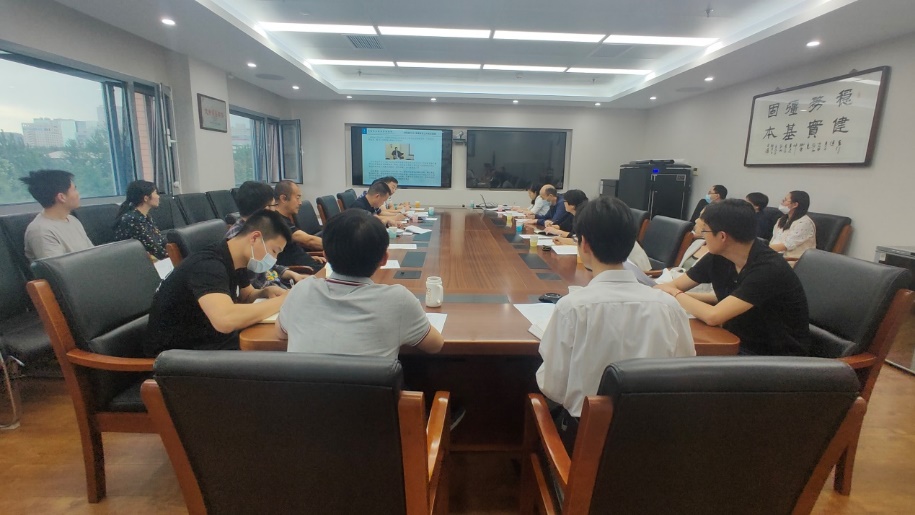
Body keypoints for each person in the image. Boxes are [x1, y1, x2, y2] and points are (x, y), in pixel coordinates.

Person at [537, 196, 694, 451]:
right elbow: (684, 373)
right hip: (655, 441)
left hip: (586, 442)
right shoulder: (669, 306)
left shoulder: (573, 308)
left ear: (584, 243)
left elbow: (553, 387)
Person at [276, 209, 444, 358]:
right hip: (372, 386)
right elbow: (435, 345)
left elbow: (281, 333)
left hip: (305, 386)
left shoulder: (301, 290)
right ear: (384, 259)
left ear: (325, 255)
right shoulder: (398, 300)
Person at [656, 199, 810, 357]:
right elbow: (676, 285)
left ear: (722, 236)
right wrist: (669, 290)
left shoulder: (769, 268)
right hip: (733, 340)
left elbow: (713, 316)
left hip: (773, 357)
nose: (703, 237)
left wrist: (674, 293)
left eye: (705, 231)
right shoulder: (718, 256)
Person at [145, 210, 292, 356]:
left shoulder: (237, 259)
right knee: (279, 354)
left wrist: (265, 292)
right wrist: (282, 301)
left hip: (210, 342)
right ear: (254, 238)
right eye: (274, 251)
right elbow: (225, 320)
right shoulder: (208, 265)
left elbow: (247, 295)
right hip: (179, 355)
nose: (274, 259)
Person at [227, 181, 310, 288]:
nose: (275, 209)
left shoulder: (258, 229)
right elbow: (254, 288)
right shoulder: (240, 240)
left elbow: (269, 267)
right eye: (274, 205)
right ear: (266, 209)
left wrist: (293, 274)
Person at [20, 169, 94, 261]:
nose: (78, 193)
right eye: (74, 189)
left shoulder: (72, 220)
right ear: (61, 197)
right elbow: (57, 268)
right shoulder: (41, 231)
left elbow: (93, 254)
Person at [274, 180, 326, 271]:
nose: (300, 202)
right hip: (305, 271)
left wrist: (308, 256)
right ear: (283, 198)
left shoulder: (284, 218)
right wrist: (338, 248)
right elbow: (309, 241)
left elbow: (291, 251)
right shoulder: (277, 221)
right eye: (297, 198)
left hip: (308, 264)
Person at [114, 180, 167, 260]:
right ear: (146, 198)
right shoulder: (133, 219)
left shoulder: (145, 216)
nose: (158, 196)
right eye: (156, 193)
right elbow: (153, 248)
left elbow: (159, 240)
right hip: (139, 261)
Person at [770, 190, 816, 261]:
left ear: (795, 205)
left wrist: (764, 250)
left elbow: (787, 245)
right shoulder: (781, 219)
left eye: (785, 200)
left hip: (793, 260)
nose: (782, 202)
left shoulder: (804, 223)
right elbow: (774, 239)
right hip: (775, 256)